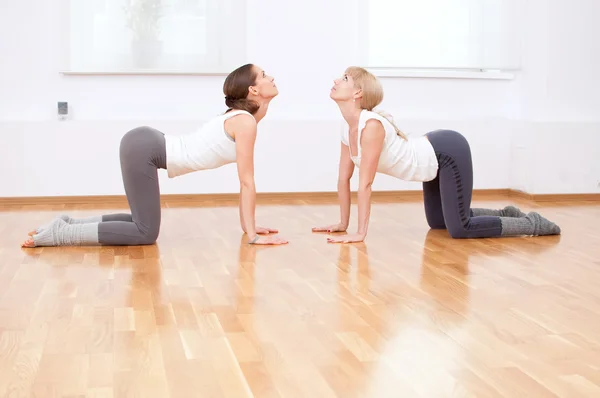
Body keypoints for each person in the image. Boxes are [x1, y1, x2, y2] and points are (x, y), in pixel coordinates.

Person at [23, 64, 288, 247]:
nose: (271, 78)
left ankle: (66, 223)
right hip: (145, 149)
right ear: (253, 89)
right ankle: (60, 235)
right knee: (145, 232)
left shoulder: (243, 119)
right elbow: (246, 181)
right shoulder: (244, 122)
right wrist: (252, 235)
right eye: (264, 75)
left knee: (142, 223)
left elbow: (244, 182)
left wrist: (249, 228)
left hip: (144, 144)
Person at [312, 66, 561, 243]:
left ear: (358, 93)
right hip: (431, 160)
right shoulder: (347, 127)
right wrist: (342, 224)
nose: (336, 80)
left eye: (344, 78)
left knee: (460, 228)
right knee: (439, 223)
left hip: (447, 152)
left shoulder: (371, 126)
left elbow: (365, 184)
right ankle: (507, 213)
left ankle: (532, 224)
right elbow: (344, 179)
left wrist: (360, 233)